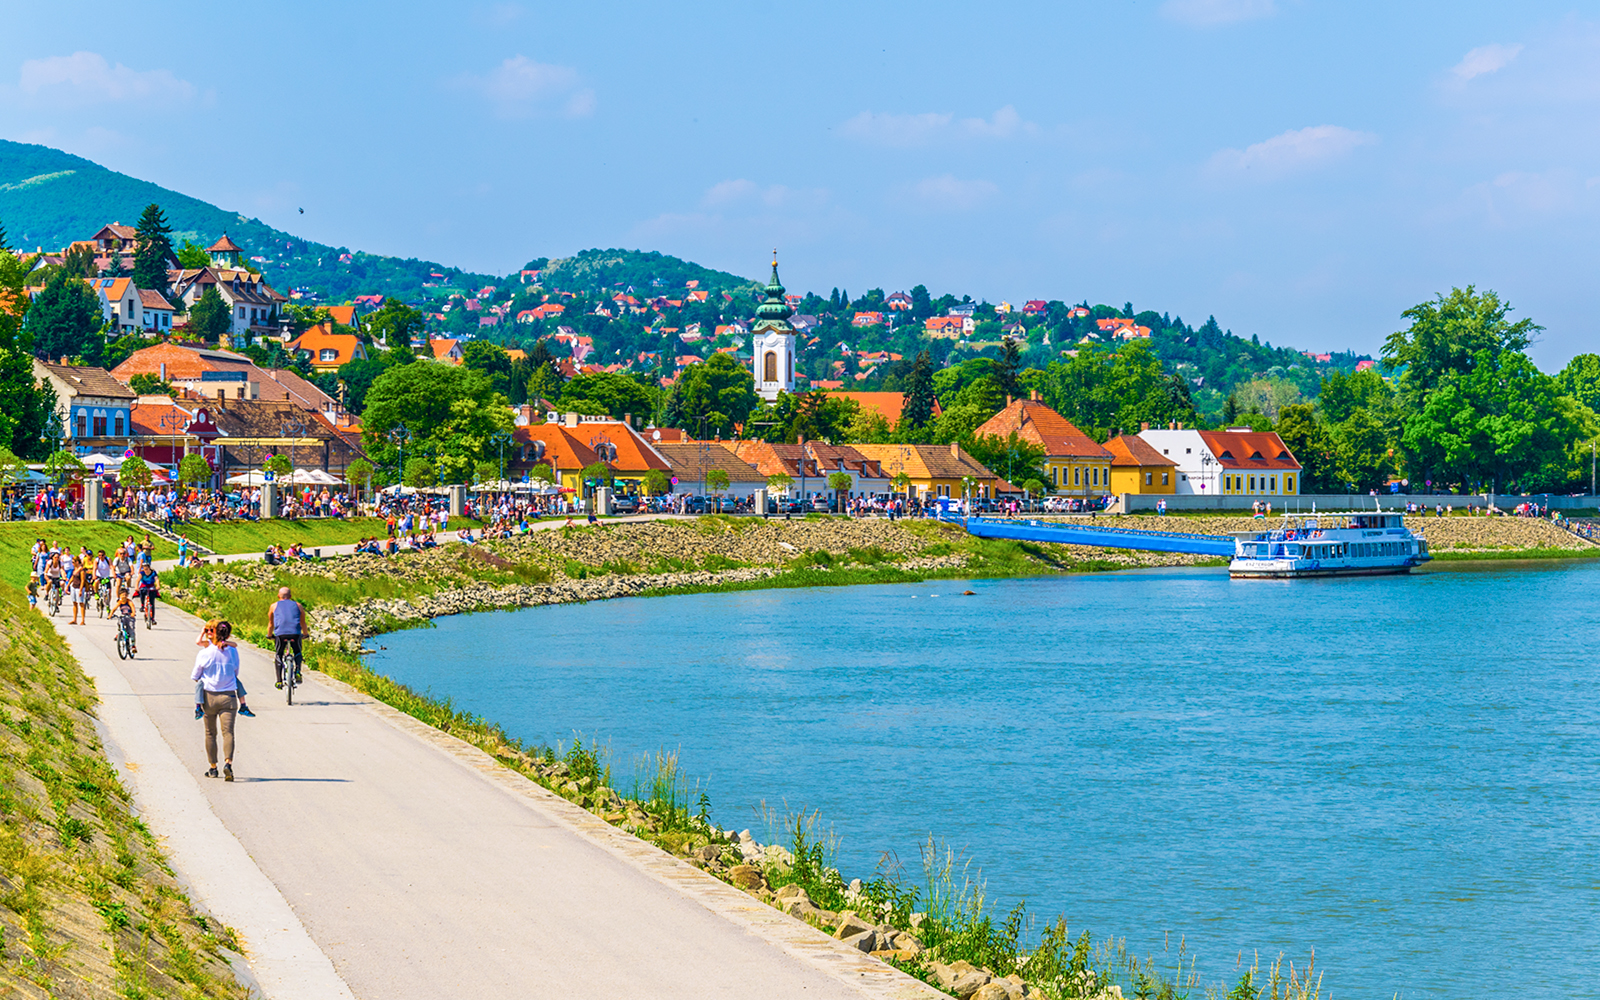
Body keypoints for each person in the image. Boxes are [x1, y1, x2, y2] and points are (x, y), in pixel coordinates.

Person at [191, 620, 240, 781]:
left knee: (210, 733)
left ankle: (213, 767)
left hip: (209, 696)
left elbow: (195, 675)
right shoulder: (233, 651)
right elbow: (236, 671)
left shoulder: (205, 653)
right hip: (229, 696)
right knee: (228, 732)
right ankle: (228, 763)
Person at [194, 620, 254, 719]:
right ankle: (198, 707)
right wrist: (202, 632)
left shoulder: (225, 645)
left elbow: (235, 644)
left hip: (223, 677)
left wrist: (224, 642)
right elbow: (198, 642)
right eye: (207, 630)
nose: (209, 632)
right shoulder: (208, 643)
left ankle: (243, 705)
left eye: (211, 630)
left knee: (237, 682)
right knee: (199, 686)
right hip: (213, 676)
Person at [266, 586, 303, 690]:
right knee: (297, 651)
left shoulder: (274, 606)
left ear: (278, 596)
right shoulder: (298, 605)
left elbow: (271, 624)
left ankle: (279, 681)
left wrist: (269, 635)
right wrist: (305, 634)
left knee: (279, 654)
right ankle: (298, 671)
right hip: (295, 633)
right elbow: (302, 622)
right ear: (290, 596)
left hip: (280, 634)